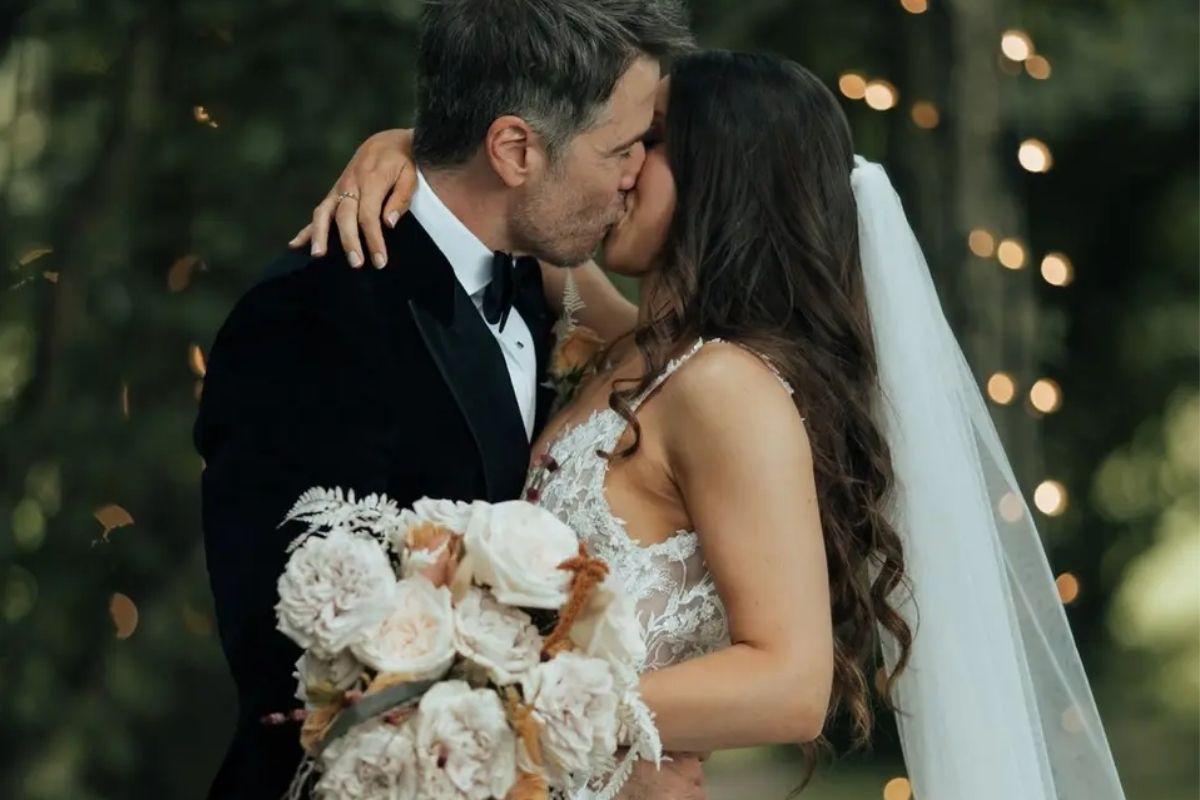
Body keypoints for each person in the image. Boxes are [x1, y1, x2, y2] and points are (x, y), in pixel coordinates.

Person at [297, 51, 1129, 800]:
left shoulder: (726, 388)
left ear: (722, 174)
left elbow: (790, 686)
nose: (621, 162)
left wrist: (499, 704)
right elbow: (509, 198)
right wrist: (402, 148)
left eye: (648, 140)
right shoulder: (635, 348)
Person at [194, 2, 692, 798]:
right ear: (515, 149)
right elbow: (289, 652)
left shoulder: (542, 277)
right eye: (620, 149)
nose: (636, 172)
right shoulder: (309, 317)